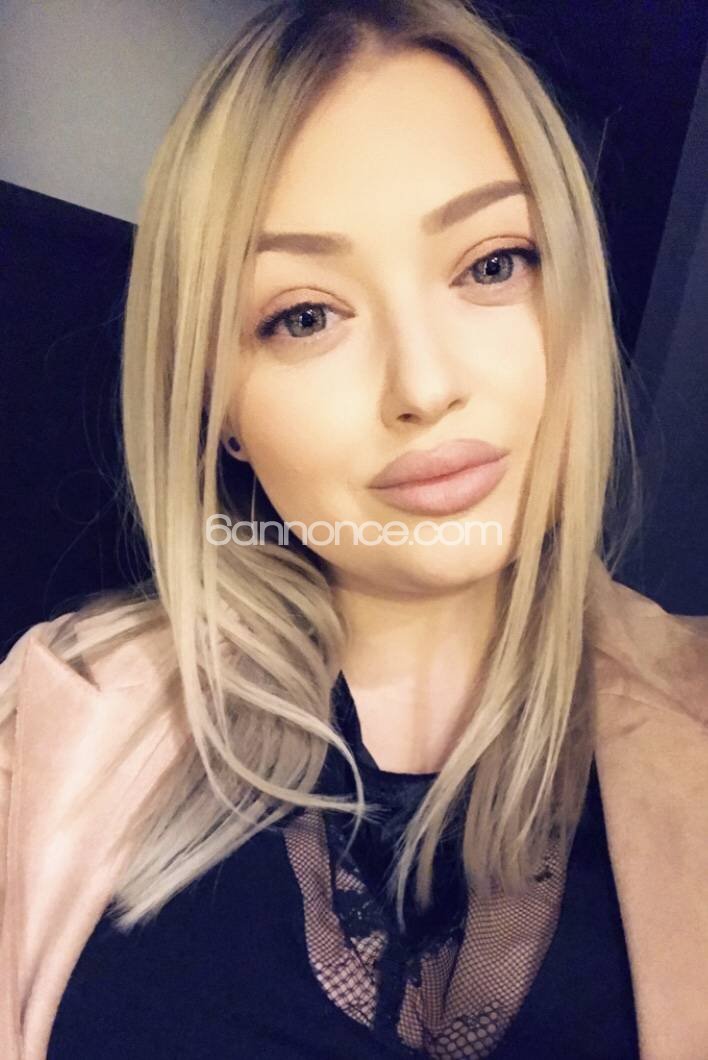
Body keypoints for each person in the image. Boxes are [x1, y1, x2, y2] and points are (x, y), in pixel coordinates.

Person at [1, 1, 707, 1057]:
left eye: (492, 263)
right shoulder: (53, 713)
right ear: (219, 408)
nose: (422, 385)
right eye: (305, 316)